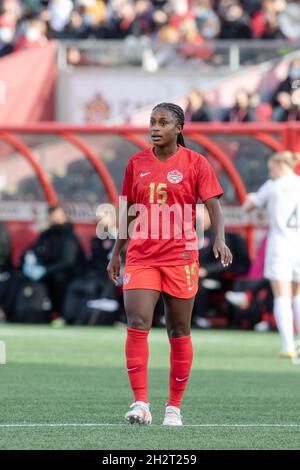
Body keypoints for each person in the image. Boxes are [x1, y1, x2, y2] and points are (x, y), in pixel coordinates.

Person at [107, 102, 232, 426]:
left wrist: (219, 238)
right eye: (152, 122)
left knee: (178, 330)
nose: (155, 127)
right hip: (142, 255)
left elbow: (214, 206)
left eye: (163, 122)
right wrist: (117, 251)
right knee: (137, 322)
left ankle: (173, 408)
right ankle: (140, 404)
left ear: (179, 129)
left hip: (180, 257)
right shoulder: (136, 163)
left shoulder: (195, 163)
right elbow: (128, 210)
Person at [243, 151, 300, 358]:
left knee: (282, 295)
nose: (270, 173)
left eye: (271, 169)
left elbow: (249, 206)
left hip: (281, 246)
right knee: (297, 294)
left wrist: (250, 198)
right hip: (298, 245)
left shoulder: (273, 185)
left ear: (279, 166)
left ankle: (287, 346)